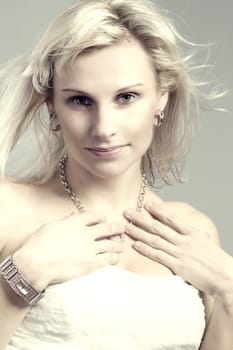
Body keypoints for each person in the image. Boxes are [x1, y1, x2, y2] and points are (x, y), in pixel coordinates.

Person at [0, 0, 232, 349]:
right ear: (52, 106)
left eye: (126, 97)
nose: (103, 128)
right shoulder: (9, 208)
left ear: (161, 99)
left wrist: (229, 290)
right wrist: (23, 276)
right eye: (80, 100)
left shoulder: (191, 231)